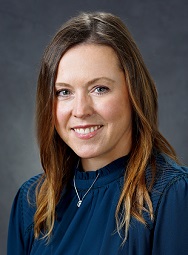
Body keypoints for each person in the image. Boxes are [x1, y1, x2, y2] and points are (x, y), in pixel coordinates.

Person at [7, 12, 188, 255]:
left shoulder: (173, 195)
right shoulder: (31, 201)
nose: (80, 110)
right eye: (64, 92)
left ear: (133, 93)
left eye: (99, 88)